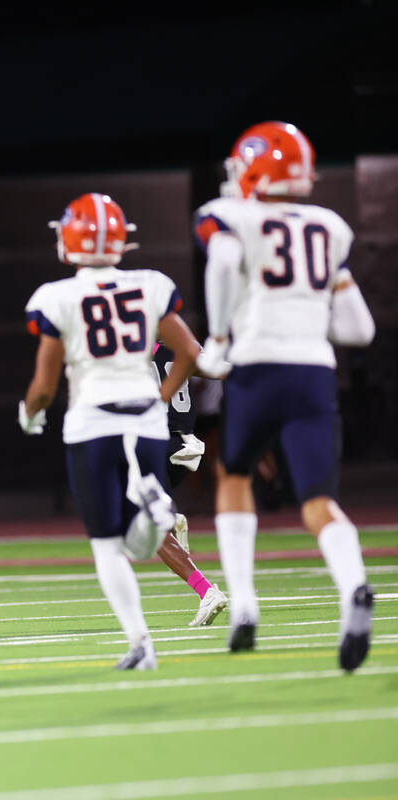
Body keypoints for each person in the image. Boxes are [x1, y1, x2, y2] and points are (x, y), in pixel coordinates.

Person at [194, 121, 376, 670]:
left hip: (257, 363)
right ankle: (354, 588)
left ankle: (244, 605)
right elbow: (359, 329)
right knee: (319, 500)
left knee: (236, 474)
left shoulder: (232, 216)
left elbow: (224, 262)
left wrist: (220, 335)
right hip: (314, 370)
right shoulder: (330, 226)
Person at [20, 193, 199, 670]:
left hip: (93, 422)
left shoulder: (55, 297)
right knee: (136, 541)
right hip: (145, 420)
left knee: (105, 544)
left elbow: (44, 384)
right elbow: (189, 353)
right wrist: (159, 403)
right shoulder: (150, 284)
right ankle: (154, 507)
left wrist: (29, 413)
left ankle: (141, 642)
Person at [151, 341, 229, 627]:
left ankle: (206, 591)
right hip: (186, 446)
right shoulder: (179, 346)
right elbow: (218, 370)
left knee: (148, 525)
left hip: (153, 444)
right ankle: (170, 517)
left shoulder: (130, 347)